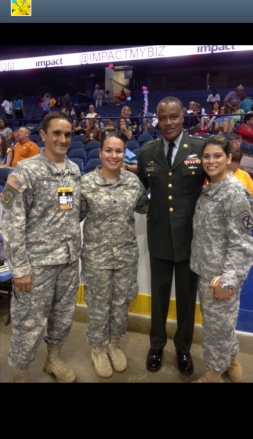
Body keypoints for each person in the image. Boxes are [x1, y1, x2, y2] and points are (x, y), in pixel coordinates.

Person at [1, 111, 82, 383]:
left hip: (69, 261)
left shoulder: (73, 169)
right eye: (56, 133)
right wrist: (20, 268)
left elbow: (70, 212)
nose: (62, 139)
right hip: (37, 265)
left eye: (67, 134)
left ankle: (53, 359)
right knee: (28, 322)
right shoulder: (25, 171)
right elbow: (11, 222)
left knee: (63, 316)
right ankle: (21, 371)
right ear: (44, 135)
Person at [137, 96, 206, 375]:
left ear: (183, 117)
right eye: (163, 117)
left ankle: (183, 349)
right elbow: (138, 189)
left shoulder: (200, 148)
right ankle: (156, 345)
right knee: (159, 296)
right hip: (159, 237)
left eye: (174, 117)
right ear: (157, 119)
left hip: (190, 237)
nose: (168, 123)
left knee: (188, 299)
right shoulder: (147, 152)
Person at [80, 133, 149, 378]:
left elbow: (145, 206)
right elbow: (71, 217)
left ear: (125, 154)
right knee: (99, 305)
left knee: (121, 303)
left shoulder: (133, 182)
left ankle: (114, 344)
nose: (113, 155)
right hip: (96, 258)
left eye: (118, 151)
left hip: (126, 257)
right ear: (100, 153)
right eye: (108, 150)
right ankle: (98, 349)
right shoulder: (85, 183)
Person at [190, 135, 253, 383]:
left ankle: (213, 372)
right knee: (221, 322)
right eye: (207, 156)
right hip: (206, 270)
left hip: (221, 277)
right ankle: (232, 358)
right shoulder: (209, 188)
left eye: (217, 156)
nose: (211, 160)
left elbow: (242, 244)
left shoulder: (234, 193)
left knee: (216, 327)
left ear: (229, 159)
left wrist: (227, 282)